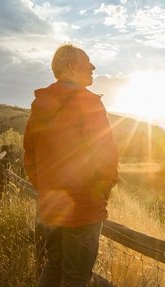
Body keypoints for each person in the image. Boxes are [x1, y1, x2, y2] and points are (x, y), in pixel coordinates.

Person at [23, 44, 119, 287]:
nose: (93, 66)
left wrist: (45, 186)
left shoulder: (40, 105)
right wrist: (100, 193)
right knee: (76, 276)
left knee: (54, 263)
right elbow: (106, 155)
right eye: (87, 61)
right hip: (83, 205)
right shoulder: (86, 102)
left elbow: (30, 153)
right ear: (71, 66)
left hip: (50, 204)